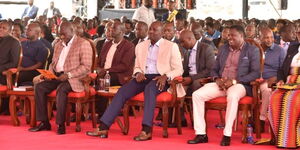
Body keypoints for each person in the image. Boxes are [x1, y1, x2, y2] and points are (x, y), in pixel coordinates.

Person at [86, 21, 184, 141]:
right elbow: (136, 66)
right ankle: (103, 127)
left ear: (162, 32)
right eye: (150, 29)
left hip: (160, 78)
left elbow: (179, 69)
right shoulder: (141, 46)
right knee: (122, 91)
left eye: (155, 30)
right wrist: (137, 73)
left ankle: (146, 130)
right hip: (142, 77)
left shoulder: (171, 46)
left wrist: (166, 76)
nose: (151, 32)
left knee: (150, 89)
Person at [187, 25, 260, 146]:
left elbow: (255, 73)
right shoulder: (223, 49)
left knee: (232, 96)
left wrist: (234, 81)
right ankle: (201, 134)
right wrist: (217, 79)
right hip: (221, 84)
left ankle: (227, 134)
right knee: (197, 95)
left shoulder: (252, 50)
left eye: (233, 35)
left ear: (241, 36)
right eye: (229, 35)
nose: (229, 38)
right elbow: (214, 69)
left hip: (239, 84)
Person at [28, 21, 93, 135]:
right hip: (57, 76)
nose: (61, 36)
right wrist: (49, 74)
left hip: (74, 78)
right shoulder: (58, 44)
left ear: (72, 31)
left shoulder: (83, 43)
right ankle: (44, 122)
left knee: (61, 89)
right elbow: (54, 64)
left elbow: (86, 67)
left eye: (64, 34)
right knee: (40, 87)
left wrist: (68, 75)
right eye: (59, 34)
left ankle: (60, 124)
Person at [265, 41, 300, 149]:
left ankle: (292, 140)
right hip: (289, 82)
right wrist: (280, 80)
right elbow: (283, 68)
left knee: (293, 100)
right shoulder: (293, 48)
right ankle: (281, 138)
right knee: (275, 97)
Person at [257, 27, 285, 132]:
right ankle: (251, 116)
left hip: (270, 80)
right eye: (266, 38)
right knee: (243, 87)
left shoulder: (280, 50)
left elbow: (283, 70)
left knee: (266, 90)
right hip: (255, 79)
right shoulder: (256, 49)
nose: (269, 40)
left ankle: (261, 119)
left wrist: (275, 78)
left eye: (271, 37)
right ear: (259, 38)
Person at [0, 21, 21, 115]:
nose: (0, 29)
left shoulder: (14, 42)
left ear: (9, 30)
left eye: (4, 28)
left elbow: (14, 63)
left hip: (5, 74)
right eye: (0, 27)